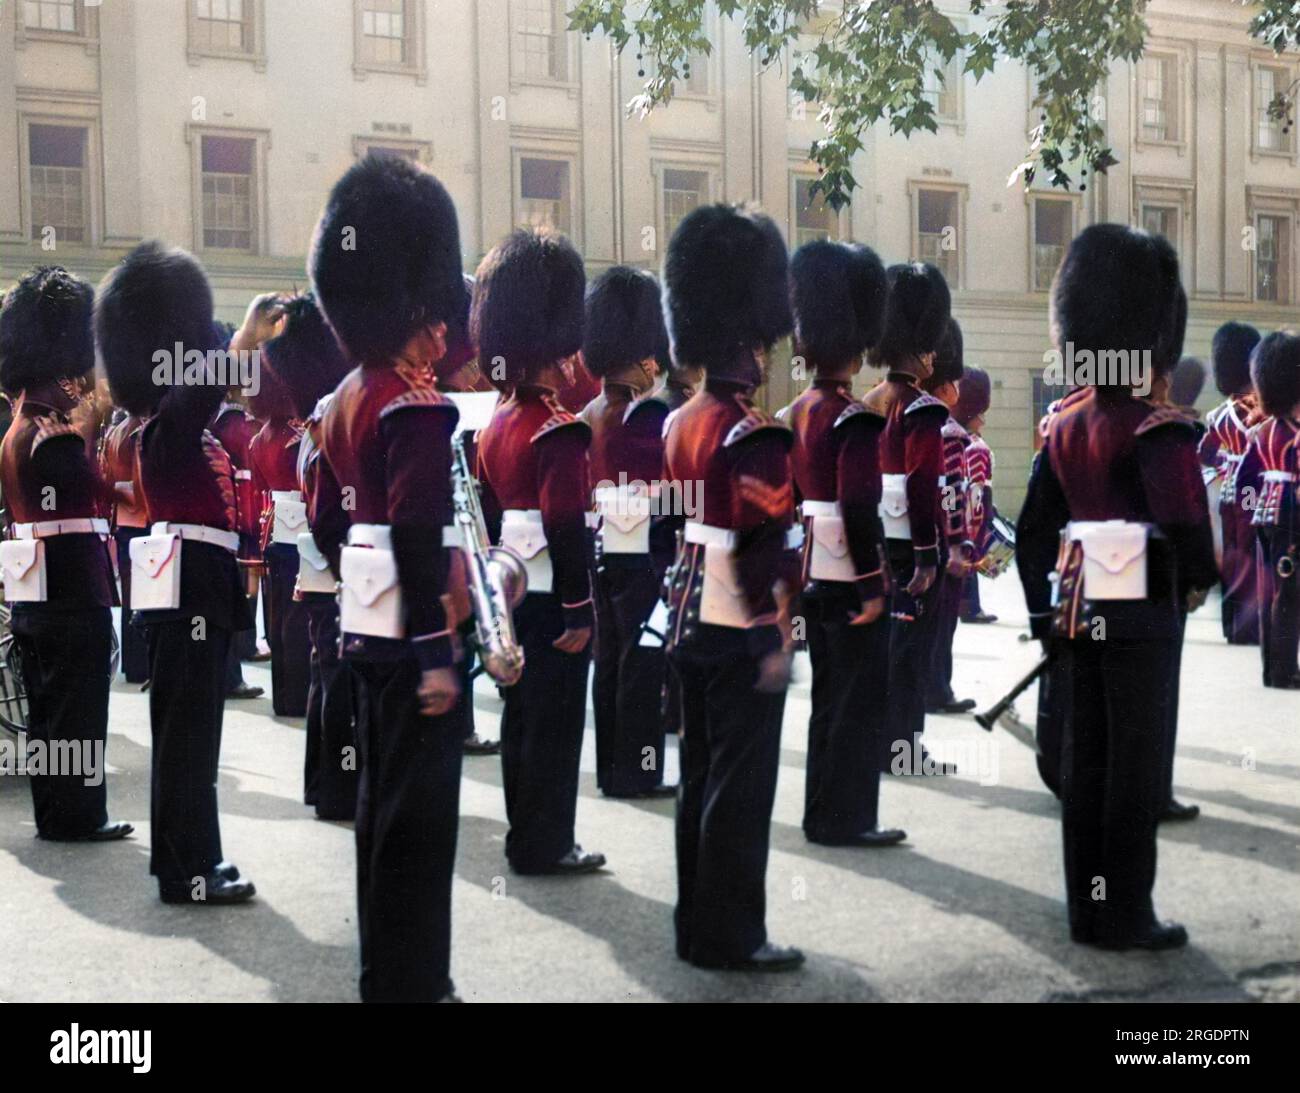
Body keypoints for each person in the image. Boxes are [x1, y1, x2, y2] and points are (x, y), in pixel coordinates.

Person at [1017, 223, 1217, 950]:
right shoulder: (1157, 430)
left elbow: (1034, 531)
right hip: (1140, 619)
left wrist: (1043, 614)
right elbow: (1186, 520)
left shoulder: (1062, 425)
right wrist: (1199, 580)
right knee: (1132, 771)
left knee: (1085, 762)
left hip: (1076, 614)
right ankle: (1126, 912)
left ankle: (1086, 909)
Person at [308, 154, 468, 1002]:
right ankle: (416, 982)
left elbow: (332, 519)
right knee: (419, 820)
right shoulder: (412, 405)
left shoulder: (340, 400)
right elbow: (414, 527)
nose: (446, 335)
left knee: (378, 809)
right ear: (405, 308)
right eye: (433, 317)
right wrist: (438, 648)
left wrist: (356, 583)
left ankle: (385, 975)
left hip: (362, 628)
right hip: (412, 637)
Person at [661, 203, 803, 971]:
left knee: (701, 780)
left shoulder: (677, 422)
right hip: (737, 624)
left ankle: (694, 924)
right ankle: (734, 934)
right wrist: (773, 632)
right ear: (751, 341)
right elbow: (760, 542)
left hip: (687, 619)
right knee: (741, 793)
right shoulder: (752, 431)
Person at [96, 242, 261, 904]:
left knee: (187, 737)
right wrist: (246, 331)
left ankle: (188, 862)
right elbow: (206, 381)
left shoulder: (160, 426)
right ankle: (190, 870)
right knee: (190, 740)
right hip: (190, 583)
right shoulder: (167, 425)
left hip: (192, 581)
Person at [474, 228, 606, 876]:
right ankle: (549, 842)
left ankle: (523, 835)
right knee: (555, 726)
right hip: (554, 593)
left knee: (521, 720)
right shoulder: (558, 426)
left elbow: (492, 511)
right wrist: (582, 608)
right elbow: (565, 519)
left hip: (511, 585)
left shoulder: (497, 420)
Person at [0, 266, 133, 843]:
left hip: (34, 591)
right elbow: (87, 497)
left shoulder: (17, 429)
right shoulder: (52, 435)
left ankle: (56, 812)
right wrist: (94, 428)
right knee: (77, 708)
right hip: (70, 589)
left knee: (48, 711)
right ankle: (80, 815)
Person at [783, 240, 902, 848]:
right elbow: (859, 508)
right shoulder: (853, 417)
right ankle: (850, 818)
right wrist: (874, 584)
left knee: (829, 698)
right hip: (848, 574)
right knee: (857, 703)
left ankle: (820, 811)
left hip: (812, 570)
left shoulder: (796, 411)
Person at [258, 293, 359, 817]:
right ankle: (338, 790)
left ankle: (323, 785)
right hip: (339, 561)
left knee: (327, 672)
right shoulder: (329, 422)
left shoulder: (316, 420)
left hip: (322, 562)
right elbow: (333, 510)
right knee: (339, 675)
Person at [580, 266, 677, 799]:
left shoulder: (588, 411)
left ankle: (612, 768)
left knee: (611, 658)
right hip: (639, 549)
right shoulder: (642, 416)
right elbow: (658, 493)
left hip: (603, 545)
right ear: (642, 357)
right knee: (642, 660)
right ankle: (637, 773)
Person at [862, 263, 955, 776]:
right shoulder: (919, 408)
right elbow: (923, 483)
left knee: (888, 649)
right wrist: (926, 554)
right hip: (912, 547)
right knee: (911, 654)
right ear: (919, 345)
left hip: (877, 542)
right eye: (930, 346)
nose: (935, 356)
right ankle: (904, 752)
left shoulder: (868, 401)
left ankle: (883, 745)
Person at [247, 363, 312, 717]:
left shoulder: (259, 439)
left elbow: (259, 487)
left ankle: (284, 696)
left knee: (277, 616)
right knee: (298, 615)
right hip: (301, 527)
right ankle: (300, 695)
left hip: (274, 527)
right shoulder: (299, 436)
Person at [1238, 331, 1300, 690]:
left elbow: (1246, 480)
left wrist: (1253, 511)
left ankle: (1273, 668)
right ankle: (1283, 671)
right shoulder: (1293, 434)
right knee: (1289, 596)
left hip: (1267, 517)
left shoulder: (1260, 433)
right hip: (1290, 518)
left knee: (1272, 595)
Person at [923, 318, 976, 716]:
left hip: (915, 541)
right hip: (942, 544)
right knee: (942, 626)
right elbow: (951, 494)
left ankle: (929, 686)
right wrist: (958, 545)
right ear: (944, 386)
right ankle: (938, 688)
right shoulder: (951, 433)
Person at [1199, 323, 1262, 646]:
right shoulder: (1259, 412)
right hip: (1255, 492)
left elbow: (1206, 453)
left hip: (1229, 492)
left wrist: (1228, 462)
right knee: (1255, 556)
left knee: (1233, 557)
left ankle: (1233, 626)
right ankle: (1253, 627)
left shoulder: (1218, 415)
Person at [210, 387, 265, 699]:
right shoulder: (232, 423)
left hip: (219, 522)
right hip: (226, 522)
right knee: (233, 591)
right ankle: (230, 674)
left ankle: (227, 672)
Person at [100, 410, 151, 682]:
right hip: (141, 517)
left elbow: (106, 476)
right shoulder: (139, 431)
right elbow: (141, 480)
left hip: (123, 519)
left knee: (131, 592)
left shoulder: (115, 432)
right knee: (145, 593)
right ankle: (141, 662)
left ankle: (133, 663)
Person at [954, 366, 997, 624]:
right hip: (972, 509)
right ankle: (971, 609)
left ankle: (968, 607)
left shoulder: (959, 438)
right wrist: (983, 516)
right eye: (980, 414)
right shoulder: (976, 445)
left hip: (960, 506)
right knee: (971, 556)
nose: (983, 419)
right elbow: (978, 486)